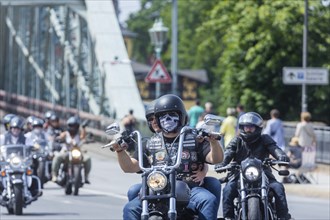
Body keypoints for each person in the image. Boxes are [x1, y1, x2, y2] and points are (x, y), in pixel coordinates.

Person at [113, 94, 224, 220]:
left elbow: (215, 159)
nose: (167, 119)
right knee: (130, 208)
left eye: (172, 114)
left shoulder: (193, 138)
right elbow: (130, 167)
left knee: (208, 200)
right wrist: (120, 151)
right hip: (156, 189)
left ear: (181, 116)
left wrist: (214, 142)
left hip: (190, 188)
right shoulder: (150, 142)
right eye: (162, 116)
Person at [215, 112, 291, 220]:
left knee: (278, 188)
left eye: (251, 127)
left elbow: (274, 148)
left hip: (264, 173)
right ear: (242, 128)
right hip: (239, 174)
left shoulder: (264, 139)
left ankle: (283, 217)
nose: (248, 130)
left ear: (257, 128)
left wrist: (281, 156)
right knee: (227, 190)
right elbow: (228, 152)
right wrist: (222, 163)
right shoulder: (237, 141)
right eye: (246, 127)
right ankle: (228, 217)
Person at [51, 116, 92, 184]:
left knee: (88, 159)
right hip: (66, 152)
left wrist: (84, 128)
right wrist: (58, 138)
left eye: (75, 126)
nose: (73, 128)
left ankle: (86, 177)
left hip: (77, 153)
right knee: (57, 157)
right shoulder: (66, 134)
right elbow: (60, 136)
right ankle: (54, 175)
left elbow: (83, 137)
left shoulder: (78, 135)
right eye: (71, 126)